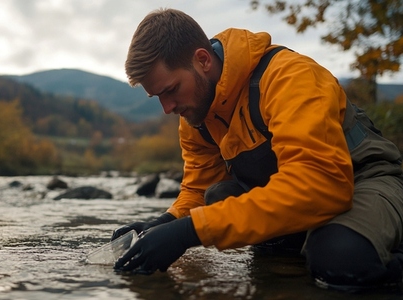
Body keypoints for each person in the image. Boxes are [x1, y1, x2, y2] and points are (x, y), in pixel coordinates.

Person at [111, 8, 403, 291]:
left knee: (340, 259)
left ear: (202, 60)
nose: (167, 108)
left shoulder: (290, 77)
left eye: (171, 90)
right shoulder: (195, 116)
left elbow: (320, 184)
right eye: (157, 97)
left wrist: (190, 232)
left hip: (362, 180)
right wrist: (166, 222)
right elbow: (198, 189)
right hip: (300, 194)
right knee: (217, 195)